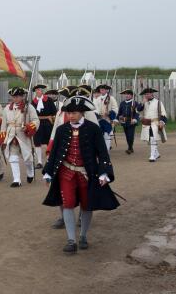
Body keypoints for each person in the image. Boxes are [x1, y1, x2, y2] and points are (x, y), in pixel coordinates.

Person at [42, 95, 119, 254]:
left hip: (86, 173)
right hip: (66, 172)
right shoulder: (61, 129)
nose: (71, 115)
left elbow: (103, 153)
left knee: (86, 205)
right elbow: (55, 153)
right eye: (69, 113)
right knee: (68, 204)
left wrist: (104, 173)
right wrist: (48, 172)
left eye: (75, 112)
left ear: (82, 113)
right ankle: (71, 240)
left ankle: (83, 235)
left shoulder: (93, 129)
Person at [1, 87, 39, 187]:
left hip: (24, 135)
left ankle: (30, 173)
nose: (15, 99)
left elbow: (36, 120)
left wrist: (28, 127)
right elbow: (4, 124)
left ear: (22, 96)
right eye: (14, 97)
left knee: (28, 158)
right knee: (13, 157)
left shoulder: (29, 107)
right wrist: (3, 136)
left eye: (17, 96)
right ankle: (17, 180)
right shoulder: (7, 108)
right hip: (11, 134)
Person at [136, 88, 167, 162]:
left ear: (152, 94)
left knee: (153, 138)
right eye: (145, 94)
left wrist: (162, 121)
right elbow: (138, 110)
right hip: (146, 124)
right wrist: (142, 103)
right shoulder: (144, 102)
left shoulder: (158, 102)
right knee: (149, 140)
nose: (147, 95)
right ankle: (156, 153)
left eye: (148, 94)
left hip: (155, 124)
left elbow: (163, 113)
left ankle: (152, 155)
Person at [31, 84, 57, 170]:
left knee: (48, 141)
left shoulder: (49, 100)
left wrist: (51, 118)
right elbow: (31, 114)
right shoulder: (33, 102)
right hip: (37, 123)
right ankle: (39, 162)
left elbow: (54, 112)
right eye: (36, 90)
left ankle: (49, 160)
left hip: (48, 123)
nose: (38, 91)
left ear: (42, 91)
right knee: (37, 142)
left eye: (39, 90)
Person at [93, 84, 119, 151]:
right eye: (101, 89)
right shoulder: (97, 99)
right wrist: (98, 114)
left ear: (106, 90)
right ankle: (102, 150)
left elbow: (115, 108)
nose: (102, 90)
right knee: (100, 136)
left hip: (108, 119)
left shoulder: (111, 98)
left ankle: (107, 151)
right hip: (99, 120)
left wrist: (109, 113)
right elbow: (95, 109)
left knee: (107, 135)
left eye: (104, 89)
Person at [118, 89, 140, 155]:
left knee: (130, 135)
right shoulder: (122, 103)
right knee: (127, 135)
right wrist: (118, 118)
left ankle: (130, 148)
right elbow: (119, 113)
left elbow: (137, 112)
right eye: (126, 94)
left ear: (132, 96)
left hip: (131, 122)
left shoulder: (135, 103)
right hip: (124, 122)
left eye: (129, 94)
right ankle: (130, 147)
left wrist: (135, 119)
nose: (127, 95)